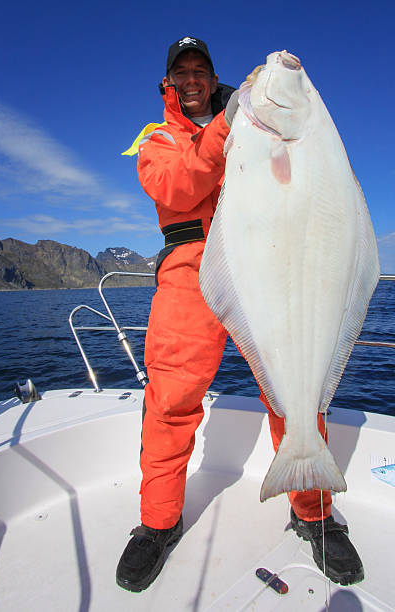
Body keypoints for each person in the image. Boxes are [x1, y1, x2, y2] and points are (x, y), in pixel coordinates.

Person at [116, 36, 364, 593]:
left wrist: (246, 115)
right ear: (168, 85)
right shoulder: (157, 139)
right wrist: (229, 126)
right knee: (172, 403)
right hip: (189, 272)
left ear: (212, 77)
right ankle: (157, 524)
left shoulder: (247, 120)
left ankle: (314, 512)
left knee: (295, 386)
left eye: (201, 70)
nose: (193, 79)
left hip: (268, 264)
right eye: (182, 73)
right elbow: (178, 187)